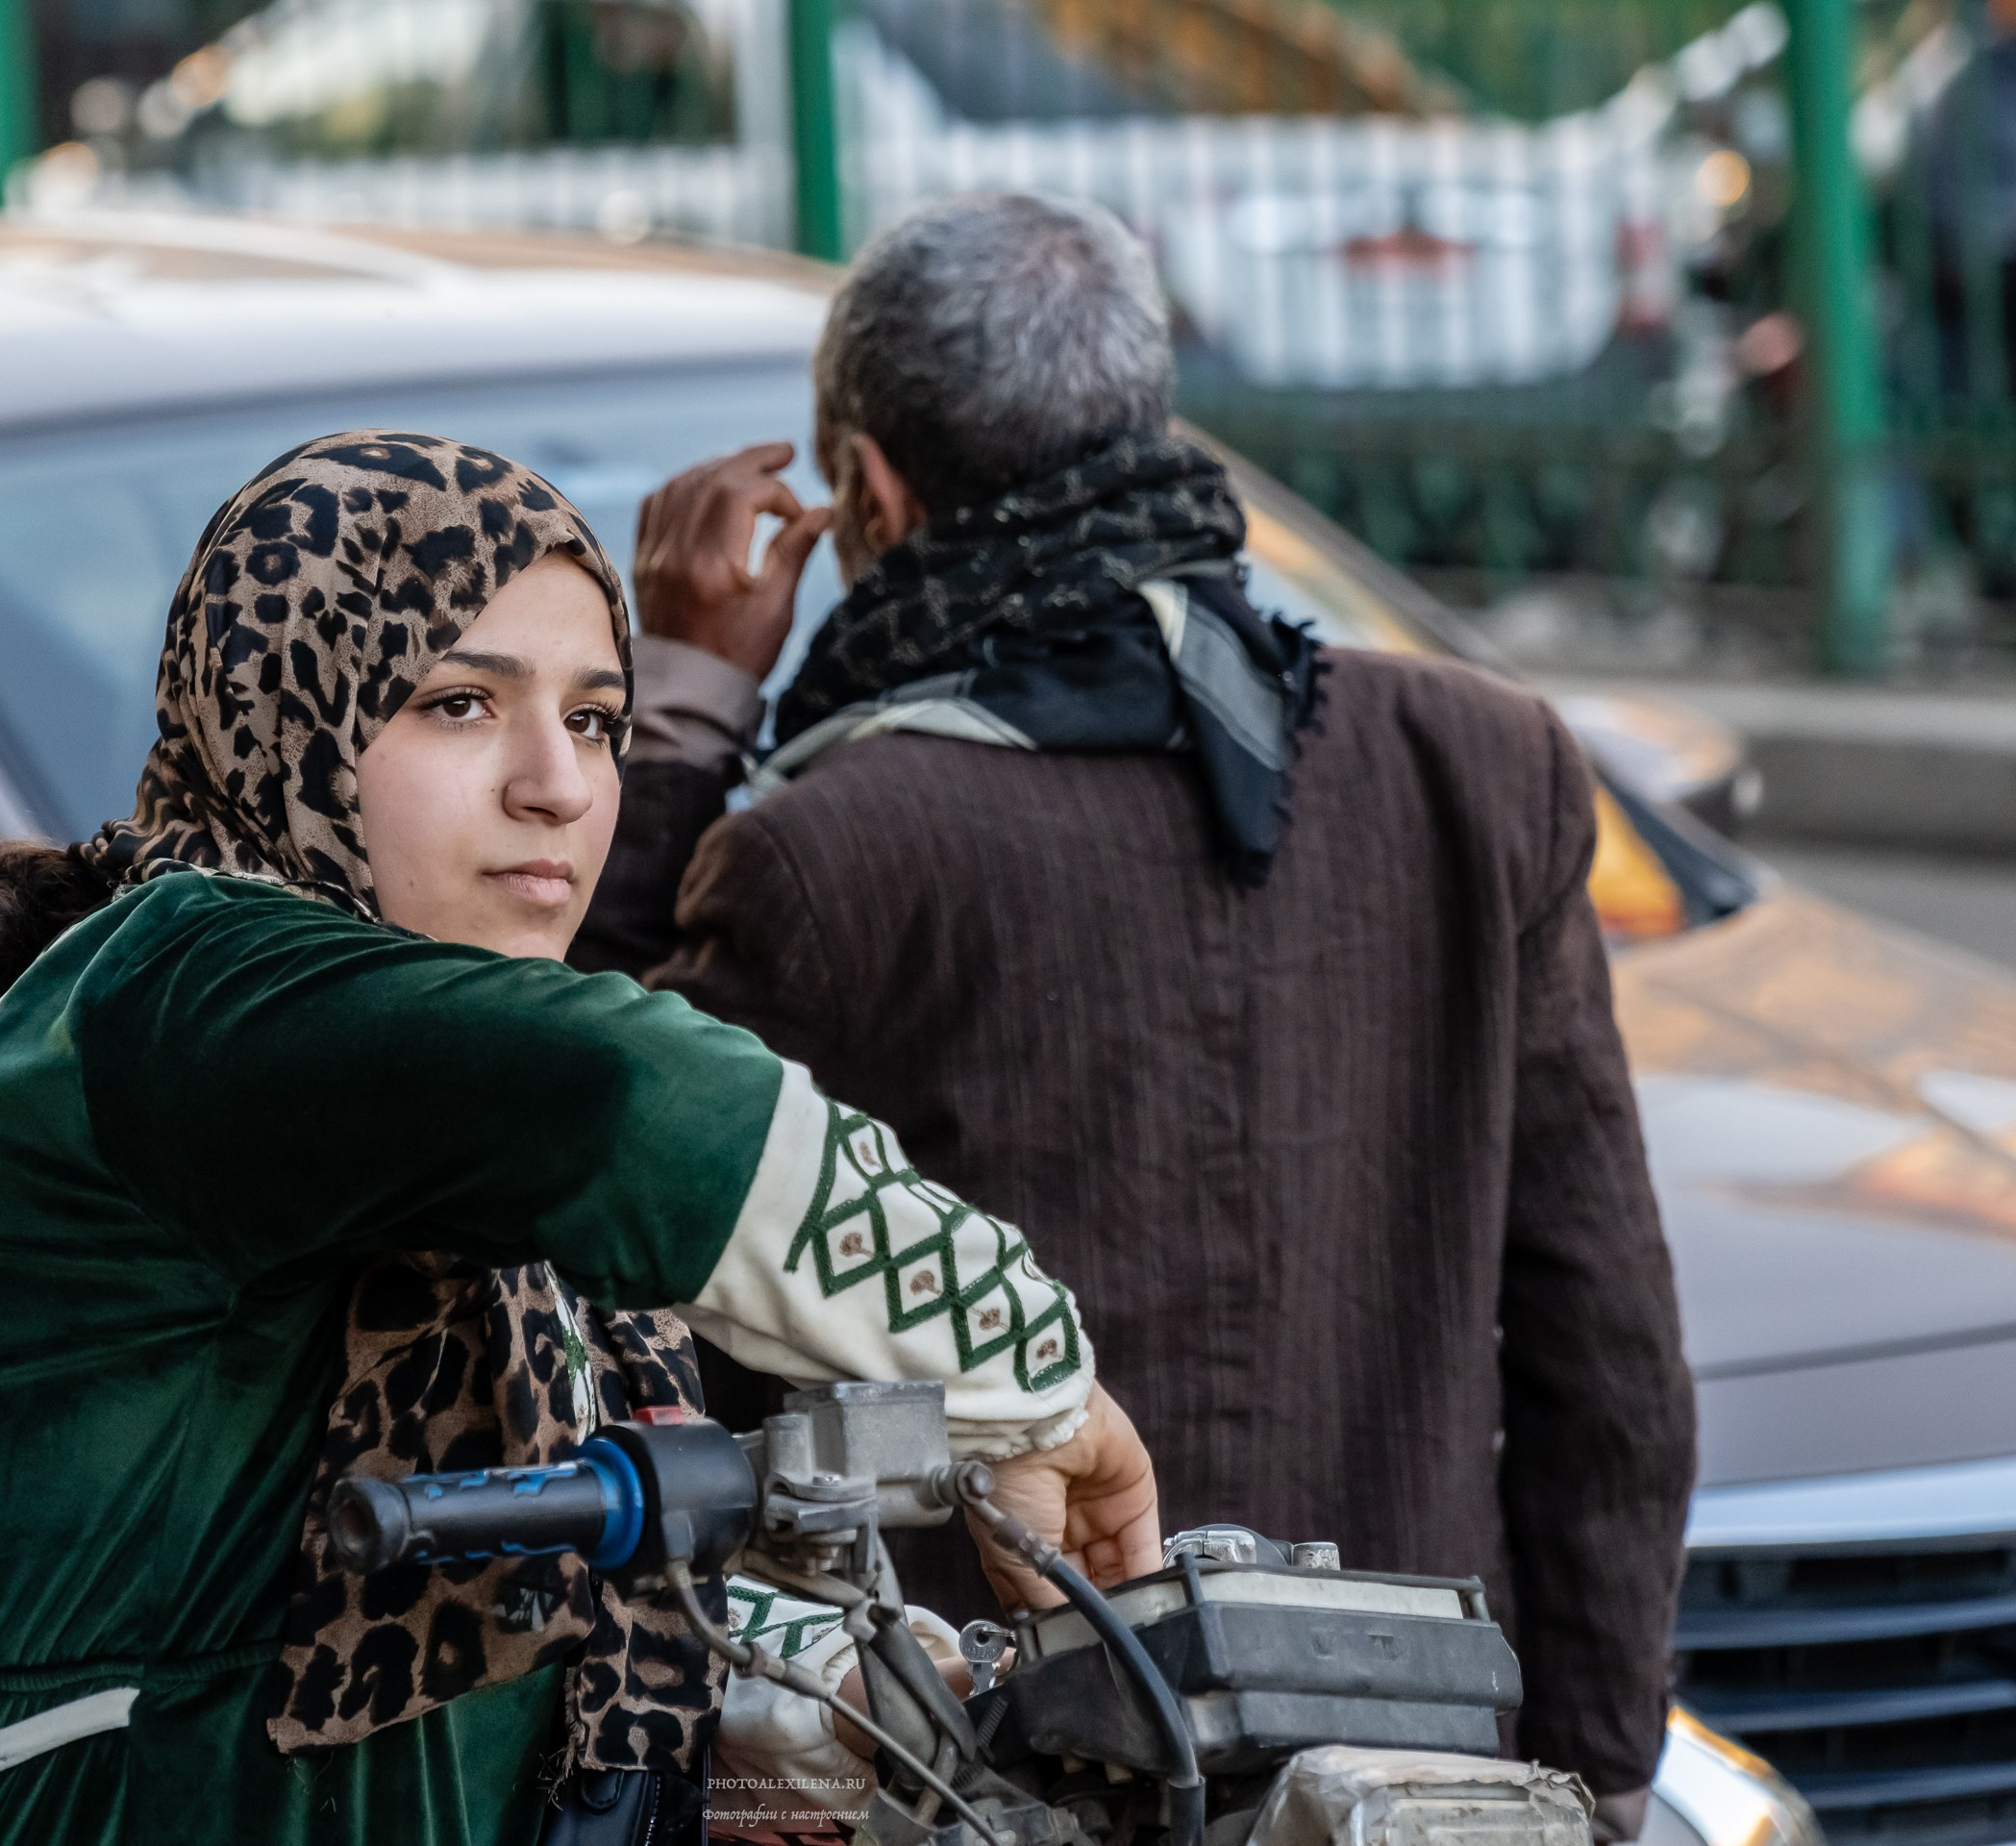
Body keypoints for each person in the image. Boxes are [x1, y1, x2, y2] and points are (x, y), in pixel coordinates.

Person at [0, 432, 1159, 1846]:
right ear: (285, 709)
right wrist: (1042, 1395)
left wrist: (831, 1699)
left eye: (597, 719)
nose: (559, 784)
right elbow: (631, 1101)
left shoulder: (409, 1101)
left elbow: (467, 1586)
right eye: (461, 703)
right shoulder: (183, 989)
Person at [573, 192, 1697, 1840]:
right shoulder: (1483, 764)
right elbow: (1614, 1370)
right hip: (1428, 1785)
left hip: (982, 1786)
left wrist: (679, 706)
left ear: (872, 492)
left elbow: (575, 1174)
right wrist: (1592, 1785)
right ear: (1150, 426)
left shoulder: (830, 854)